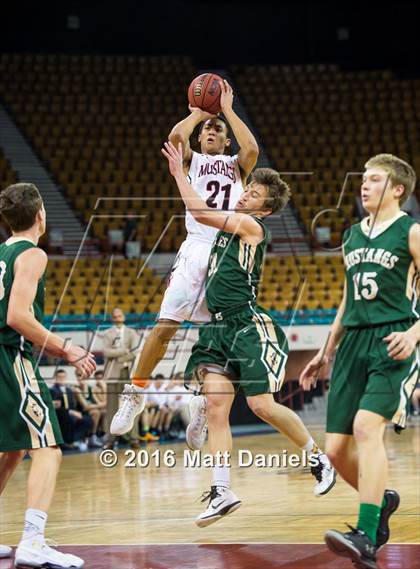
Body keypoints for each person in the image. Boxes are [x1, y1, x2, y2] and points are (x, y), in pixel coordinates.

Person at [161, 141, 336, 527]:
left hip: (247, 324)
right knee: (219, 405)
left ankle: (317, 459)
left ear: (266, 209)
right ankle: (222, 491)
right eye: (247, 188)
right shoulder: (229, 219)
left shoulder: (251, 226)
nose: (245, 195)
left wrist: (179, 172)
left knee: (260, 406)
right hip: (218, 326)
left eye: (254, 194)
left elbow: (198, 211)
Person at [110, 80, 259, 438]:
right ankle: (136, 394)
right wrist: (198, 113)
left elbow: (251, 146)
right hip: (195, 246)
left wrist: (226, 111)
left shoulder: (237, 165)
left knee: (219, 337)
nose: (212, 129)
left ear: (226, 141)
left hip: (227, 248)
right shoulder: (193, 159)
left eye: (218, 129)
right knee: (165, 327)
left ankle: (203, 406)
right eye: (208, 128)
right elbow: (176, 138)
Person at [299, 154, 419, 569]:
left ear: (398, 188)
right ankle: (380, 502)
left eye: (374, 180)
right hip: (352, 343)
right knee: (334, 451)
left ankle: (367, 535)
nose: (363, 186)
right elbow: (348, 298)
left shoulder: (411, 231)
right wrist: (326, 348)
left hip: (393, 339)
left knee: (367, 427)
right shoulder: (351, 236)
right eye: (363, 180)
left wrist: (414, 332)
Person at [0, 182, 95, 567]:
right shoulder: (32, 254)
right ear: (41, 215)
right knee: (48, 446)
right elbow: (17, 316)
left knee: (13, 448)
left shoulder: (2, 253)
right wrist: (65, 347)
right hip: (11, 356)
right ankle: (33, 540)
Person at [102, 307, 140, 449]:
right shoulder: (107, 333)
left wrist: (117, 355)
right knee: (111, 408)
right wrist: (124, 351)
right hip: (112, 374)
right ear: (112, 318)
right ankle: (110, 440)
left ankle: (133, 438)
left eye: (120, 315)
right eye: (115, 316)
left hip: (128, 373)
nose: (118, 318)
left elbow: (134, 352)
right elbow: (106, 352)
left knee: (131, 406)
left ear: (123, 316)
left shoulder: (131, 332)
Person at [50, 369, 93, 451]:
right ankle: (67, 442)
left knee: (88, 420)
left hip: (71, 414)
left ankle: (74, 440)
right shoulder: (52, 390)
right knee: (66, 416)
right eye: (59, 377)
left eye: (63, 377)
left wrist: (76, 412)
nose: (62, 379)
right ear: (55, 378)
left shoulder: (69, 390)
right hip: (60, 415)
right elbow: (56, 406)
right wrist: (71, 412)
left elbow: (73, 405)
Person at [73, 368, 106, 447]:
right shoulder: (76, 389)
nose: (81, 378)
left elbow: (102, 403)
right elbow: (85, 406)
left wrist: (104, 388)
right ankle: (92, 437)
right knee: (96, 412)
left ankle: (103, 435)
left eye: (83, 375)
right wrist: (99, 405)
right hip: (80, 411)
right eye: (79, 375)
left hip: (91, 410)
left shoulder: (91, 388)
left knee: (104, 412)